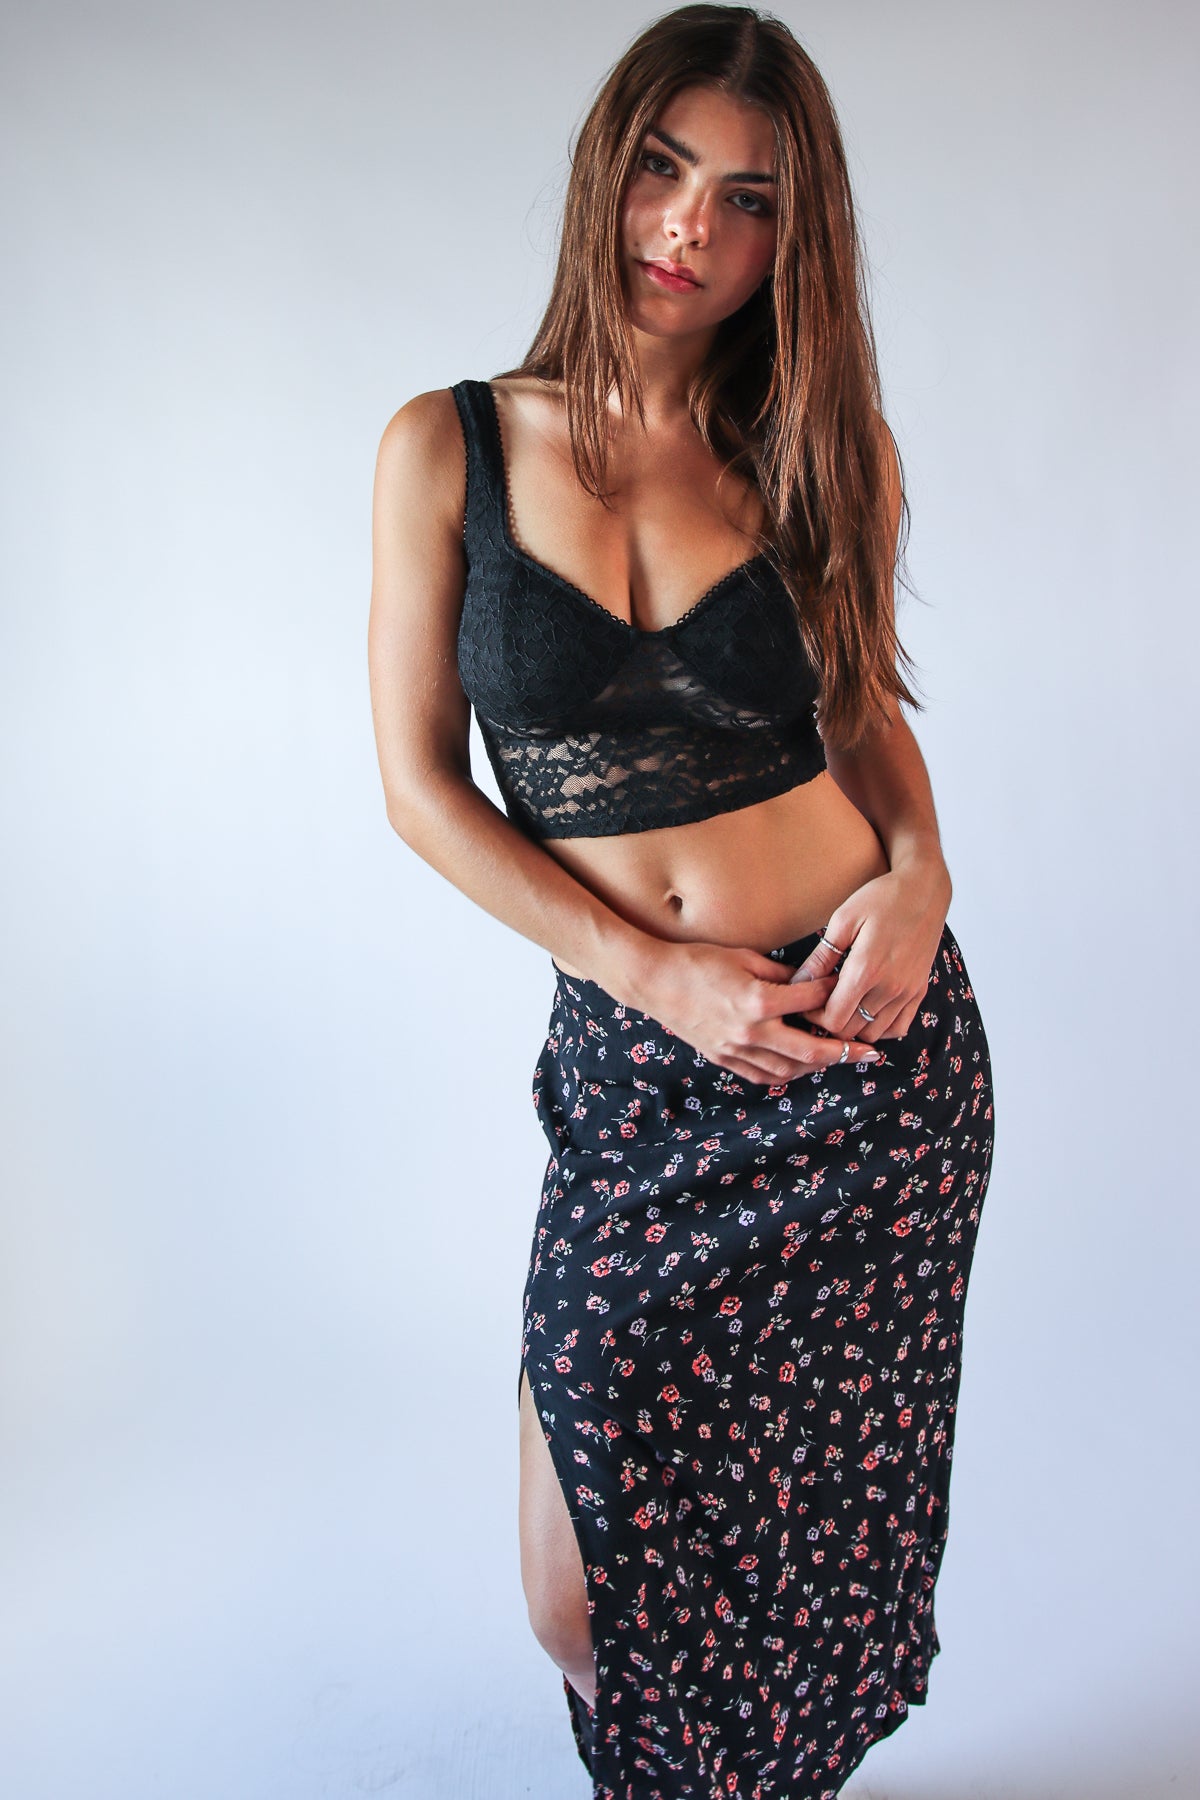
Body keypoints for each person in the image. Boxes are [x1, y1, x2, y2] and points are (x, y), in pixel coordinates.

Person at [367, 6, 995, 1795]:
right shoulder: (447, 445)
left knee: (808, 1544)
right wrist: (655, 978)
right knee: (581, 1597)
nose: (691, 229)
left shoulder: (818, 449)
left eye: (750, 198)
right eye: (663, 168)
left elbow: (864, 726)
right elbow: (420, 789)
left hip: (865, 1054)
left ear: (796, 236)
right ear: (608, 165)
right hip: (647, 1067)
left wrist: (925, 875)